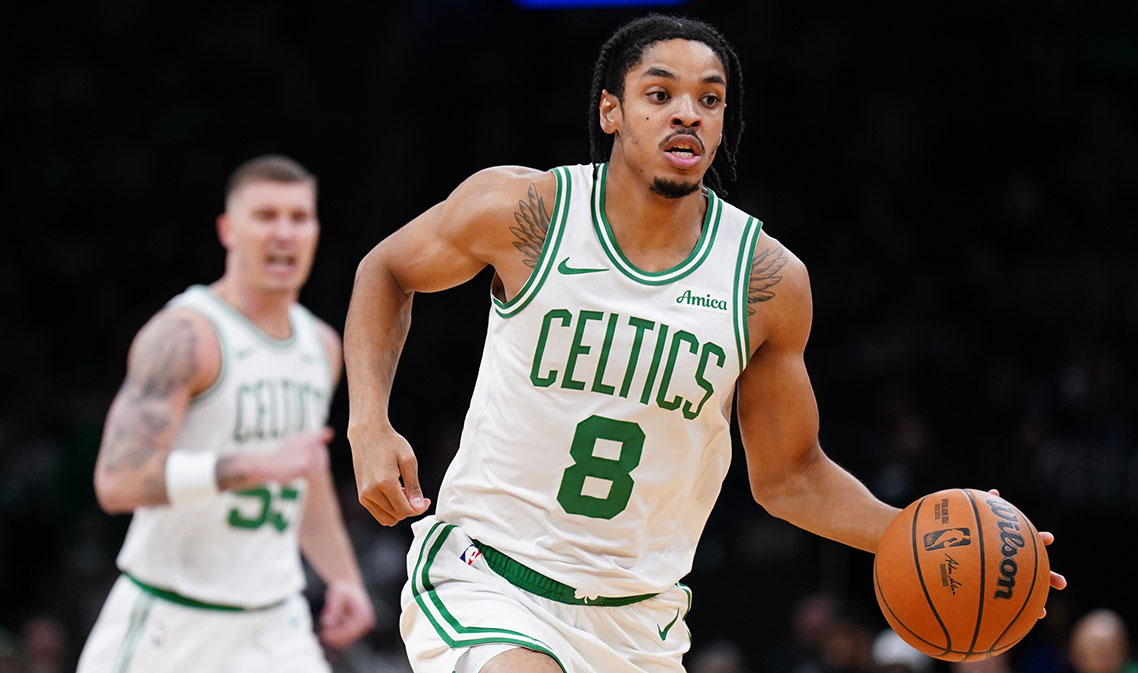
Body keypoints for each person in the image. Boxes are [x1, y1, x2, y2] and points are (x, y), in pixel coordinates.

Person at [343, 14, 1065, 673]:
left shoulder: (765, 280)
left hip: (638, 619)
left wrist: (926, 534)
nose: (687, 111)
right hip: (490, 577)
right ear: (611, 112)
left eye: (709, 99)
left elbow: (789, 475)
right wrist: (368, 422)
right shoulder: (525, 211)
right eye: (659, 94)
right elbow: (388, 270)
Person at [77, 155, 375, 673]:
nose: (284, 232)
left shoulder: (321, 345)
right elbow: (117, 479)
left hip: (274, 623)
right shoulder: (188, 335)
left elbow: (306, 470)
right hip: (171, 617)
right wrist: (254, 466)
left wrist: (343, 576)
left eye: (299, 217)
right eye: (265, 216)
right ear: (227, 229)